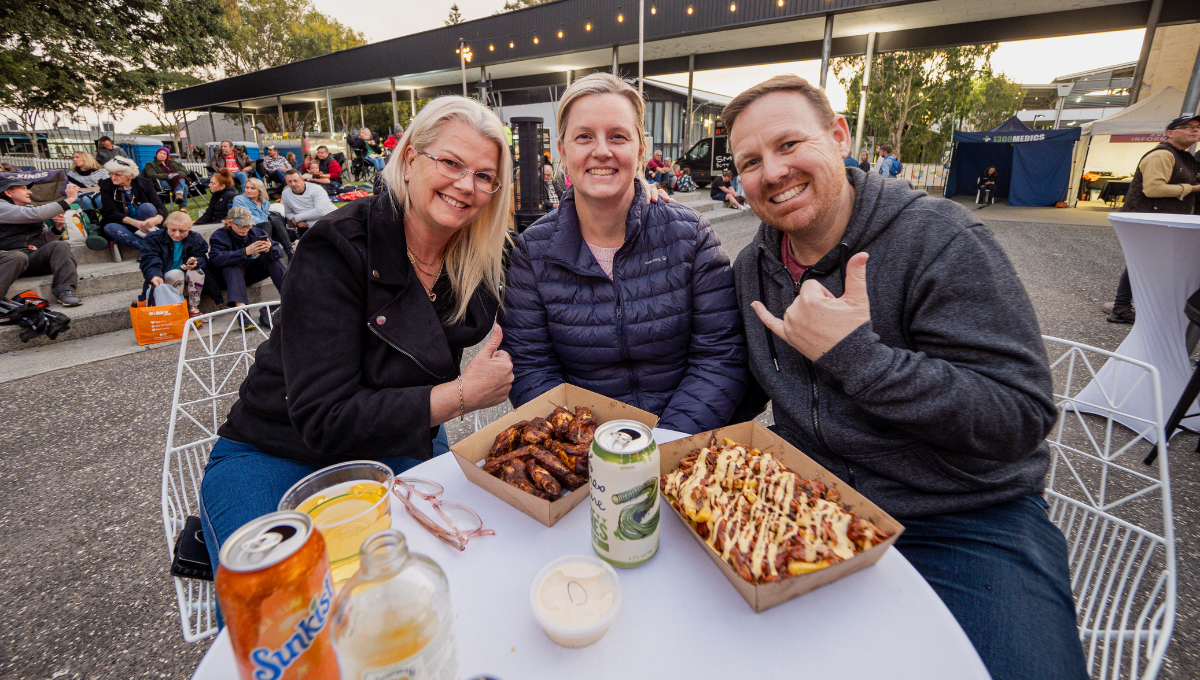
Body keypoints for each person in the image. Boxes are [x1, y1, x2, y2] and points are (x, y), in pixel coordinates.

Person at [723, 75, 1085, 680]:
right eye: (751, 161)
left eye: (789, 144)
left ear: (839, 137)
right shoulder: (751, 268)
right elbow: (735, 391)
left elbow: (1018, 418)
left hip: (962, 518)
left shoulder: (941, 239)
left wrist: (857, 356)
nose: (773, 171)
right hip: (813, 504)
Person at [198, 96, 516, 599]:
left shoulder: (483, 254)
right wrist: (461, 395)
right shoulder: (338, 244)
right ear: (410, 159)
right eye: (451, 163)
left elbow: (556, 263)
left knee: (457, 579)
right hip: (277, 451)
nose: (466, 185)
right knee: (282, 606)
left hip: (399, 446)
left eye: (484, 176)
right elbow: (322, 416)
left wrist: (626, 201)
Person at [501, 73, 748, 434]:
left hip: (679, 444)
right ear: (563, 150)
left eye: (618, 136)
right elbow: (531, 367)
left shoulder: (688, 235)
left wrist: (663, 443)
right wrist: (585, 445)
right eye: (584, 136)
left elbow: (719, 355)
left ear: (640, 150)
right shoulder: (533, 250)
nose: (602, 150)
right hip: (583, 450)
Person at [1105, 114, 1200, 324]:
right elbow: (1153, 188)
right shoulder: (1162, 155)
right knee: (1141, 262)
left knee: (1150, 262)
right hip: (1147, 218)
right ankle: (1121, 307)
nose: (1194, 130)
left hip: (1161, 218)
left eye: (1197, 127)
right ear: (1170, 133)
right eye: (1187, 127)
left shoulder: (1183, 156)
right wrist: (1193, 188)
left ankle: (1133, 307)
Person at [0, 175, 82, 306]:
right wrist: (70, 199)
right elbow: (37, 214)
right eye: (23, 188)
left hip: (30, 259)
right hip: (6, 262)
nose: (29, 192)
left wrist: (57, 228)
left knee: (60, 245)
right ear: (8, 192)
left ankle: (65, 291)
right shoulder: (2, 206)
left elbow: (43, 240)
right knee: (18, 256)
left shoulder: (29, 209)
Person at [206, 206, 286, 324]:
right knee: (232, 265)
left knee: (272, 260)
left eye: (248, 225)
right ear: (229, 223)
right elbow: (216, 259)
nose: (245, 228)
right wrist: (244, 252)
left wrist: (269, 249)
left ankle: (290, 296)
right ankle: (242, 312)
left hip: (250, 272)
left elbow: (279, 252)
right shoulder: (219, 236)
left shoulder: (256, 232)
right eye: (241, 225)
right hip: (226, 277)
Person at [140, 211, 207, 319]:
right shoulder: (153, 238)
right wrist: (154, 275)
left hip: (188, 284)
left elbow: (202, 257)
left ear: (189, 229)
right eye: (172, 229)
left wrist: (196, 261)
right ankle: (176, 312)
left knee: (197, 272)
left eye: (182, 231)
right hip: (164, 282)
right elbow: (149, 259)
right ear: (166, 225)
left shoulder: (196, 238)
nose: (177, 234)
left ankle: (194, 310)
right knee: (176, 273)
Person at [99, 156, 167, 254]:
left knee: (147, 207)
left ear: (130, 176)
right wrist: (136, 223)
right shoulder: (106, 185)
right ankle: (150, 249)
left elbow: (160, 207)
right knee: (110, 228)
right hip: (123, 224)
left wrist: (157, 219)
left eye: (117, 175)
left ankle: (149, 249)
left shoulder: (144, 183)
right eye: (111, 174)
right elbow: (111, 213)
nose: (113, 177)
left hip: (146, 224)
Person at [233, 177, 293, 260]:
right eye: (247, 187)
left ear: (260, 191)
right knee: (268, 223)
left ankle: (290, 252)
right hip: (247, 228)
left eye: (252, 188)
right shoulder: (239, 199)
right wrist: (266, 222)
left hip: (263, 229)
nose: (249, 190)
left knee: (274, 220)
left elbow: (266, 217)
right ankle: (265, 252)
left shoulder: (265, 203)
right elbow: (246, 217)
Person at [280, 169, 336, 236]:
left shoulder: (317, 189)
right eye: (289, 181)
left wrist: (297, 218)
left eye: (295, 180)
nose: (293, 184)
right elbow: (288, 212)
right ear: (286, 182)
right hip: (307, 226)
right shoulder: (285, 193)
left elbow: (321, 211)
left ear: (302, 179)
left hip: (328, 221)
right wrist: (295, 220)